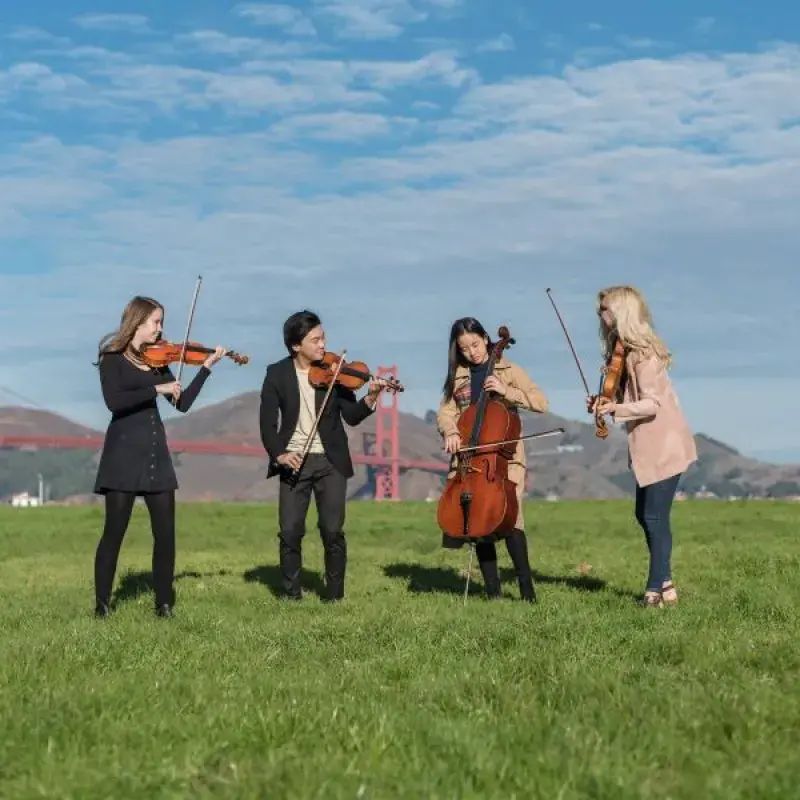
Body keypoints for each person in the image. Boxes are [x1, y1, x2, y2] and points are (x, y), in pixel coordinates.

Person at [92, 296, 225, 619]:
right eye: (156, 322)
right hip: (122, 455)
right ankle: (102, 606)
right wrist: (156, 390)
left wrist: (204, 370)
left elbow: (182, 403)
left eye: (161, 322)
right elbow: (114, 402)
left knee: (165, 535)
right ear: (137, 322)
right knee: (114, 533)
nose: (161, 328)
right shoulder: (112, 359)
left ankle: (164, 605)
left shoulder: (158, 361)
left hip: (155, 453)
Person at [258, 310, 392, 601]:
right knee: (290, 531)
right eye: (315, 340)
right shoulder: (276, 374)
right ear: (296, 345)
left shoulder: (336, 371)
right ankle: (291, 596)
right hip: (293, 461)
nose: (323, 345)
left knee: (332, 530)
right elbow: (267, 423)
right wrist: (279, 454)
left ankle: (334, 596)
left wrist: (371, 397)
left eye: (324, 338)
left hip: (330, 461)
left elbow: (352, 417)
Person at [588, 285, 697, 607]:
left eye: (604, 310)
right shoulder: (625, 353)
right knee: (646, 514)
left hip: (665, 443)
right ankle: (667, 585)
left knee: (653, 516)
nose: (600, 316)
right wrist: (604, 402)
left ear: (620, 312)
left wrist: (615, 410)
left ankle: (654, 591)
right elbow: (631, 399)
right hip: (650, 444)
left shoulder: (644, 355)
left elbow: (652, 404)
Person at [436, 317, 549, 602]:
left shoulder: (509, 369)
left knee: (512, 521)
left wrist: (505, 390)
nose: (472, 352)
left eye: (475, 344)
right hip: (469, 458)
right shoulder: (458, 376)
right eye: (464, 348)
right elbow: (446, 413)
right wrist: (450, 431)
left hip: (504, 458)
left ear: (486, 338)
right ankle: (493, 592)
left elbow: (541, 402)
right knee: (479, 521)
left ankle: (527, 590)